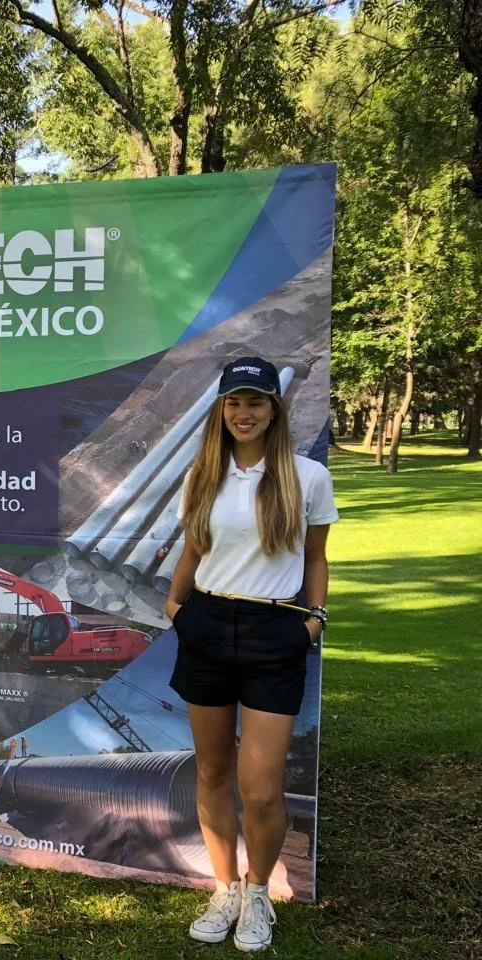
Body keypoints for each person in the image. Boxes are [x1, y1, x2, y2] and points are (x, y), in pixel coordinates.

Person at [164, 357, 337, 953]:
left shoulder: (308, 476)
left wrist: (313, 621)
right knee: (211, 773)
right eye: (234, 402)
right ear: (221, 409)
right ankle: (225, 889)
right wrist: (175, 606)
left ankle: (258, 892)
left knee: (261, 787)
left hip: (275, 630)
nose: (244, 413)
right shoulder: (202, 474)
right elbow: (194, 549)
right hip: (207, 624)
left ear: (274, 409)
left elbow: (316, 557)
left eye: (255, 402)